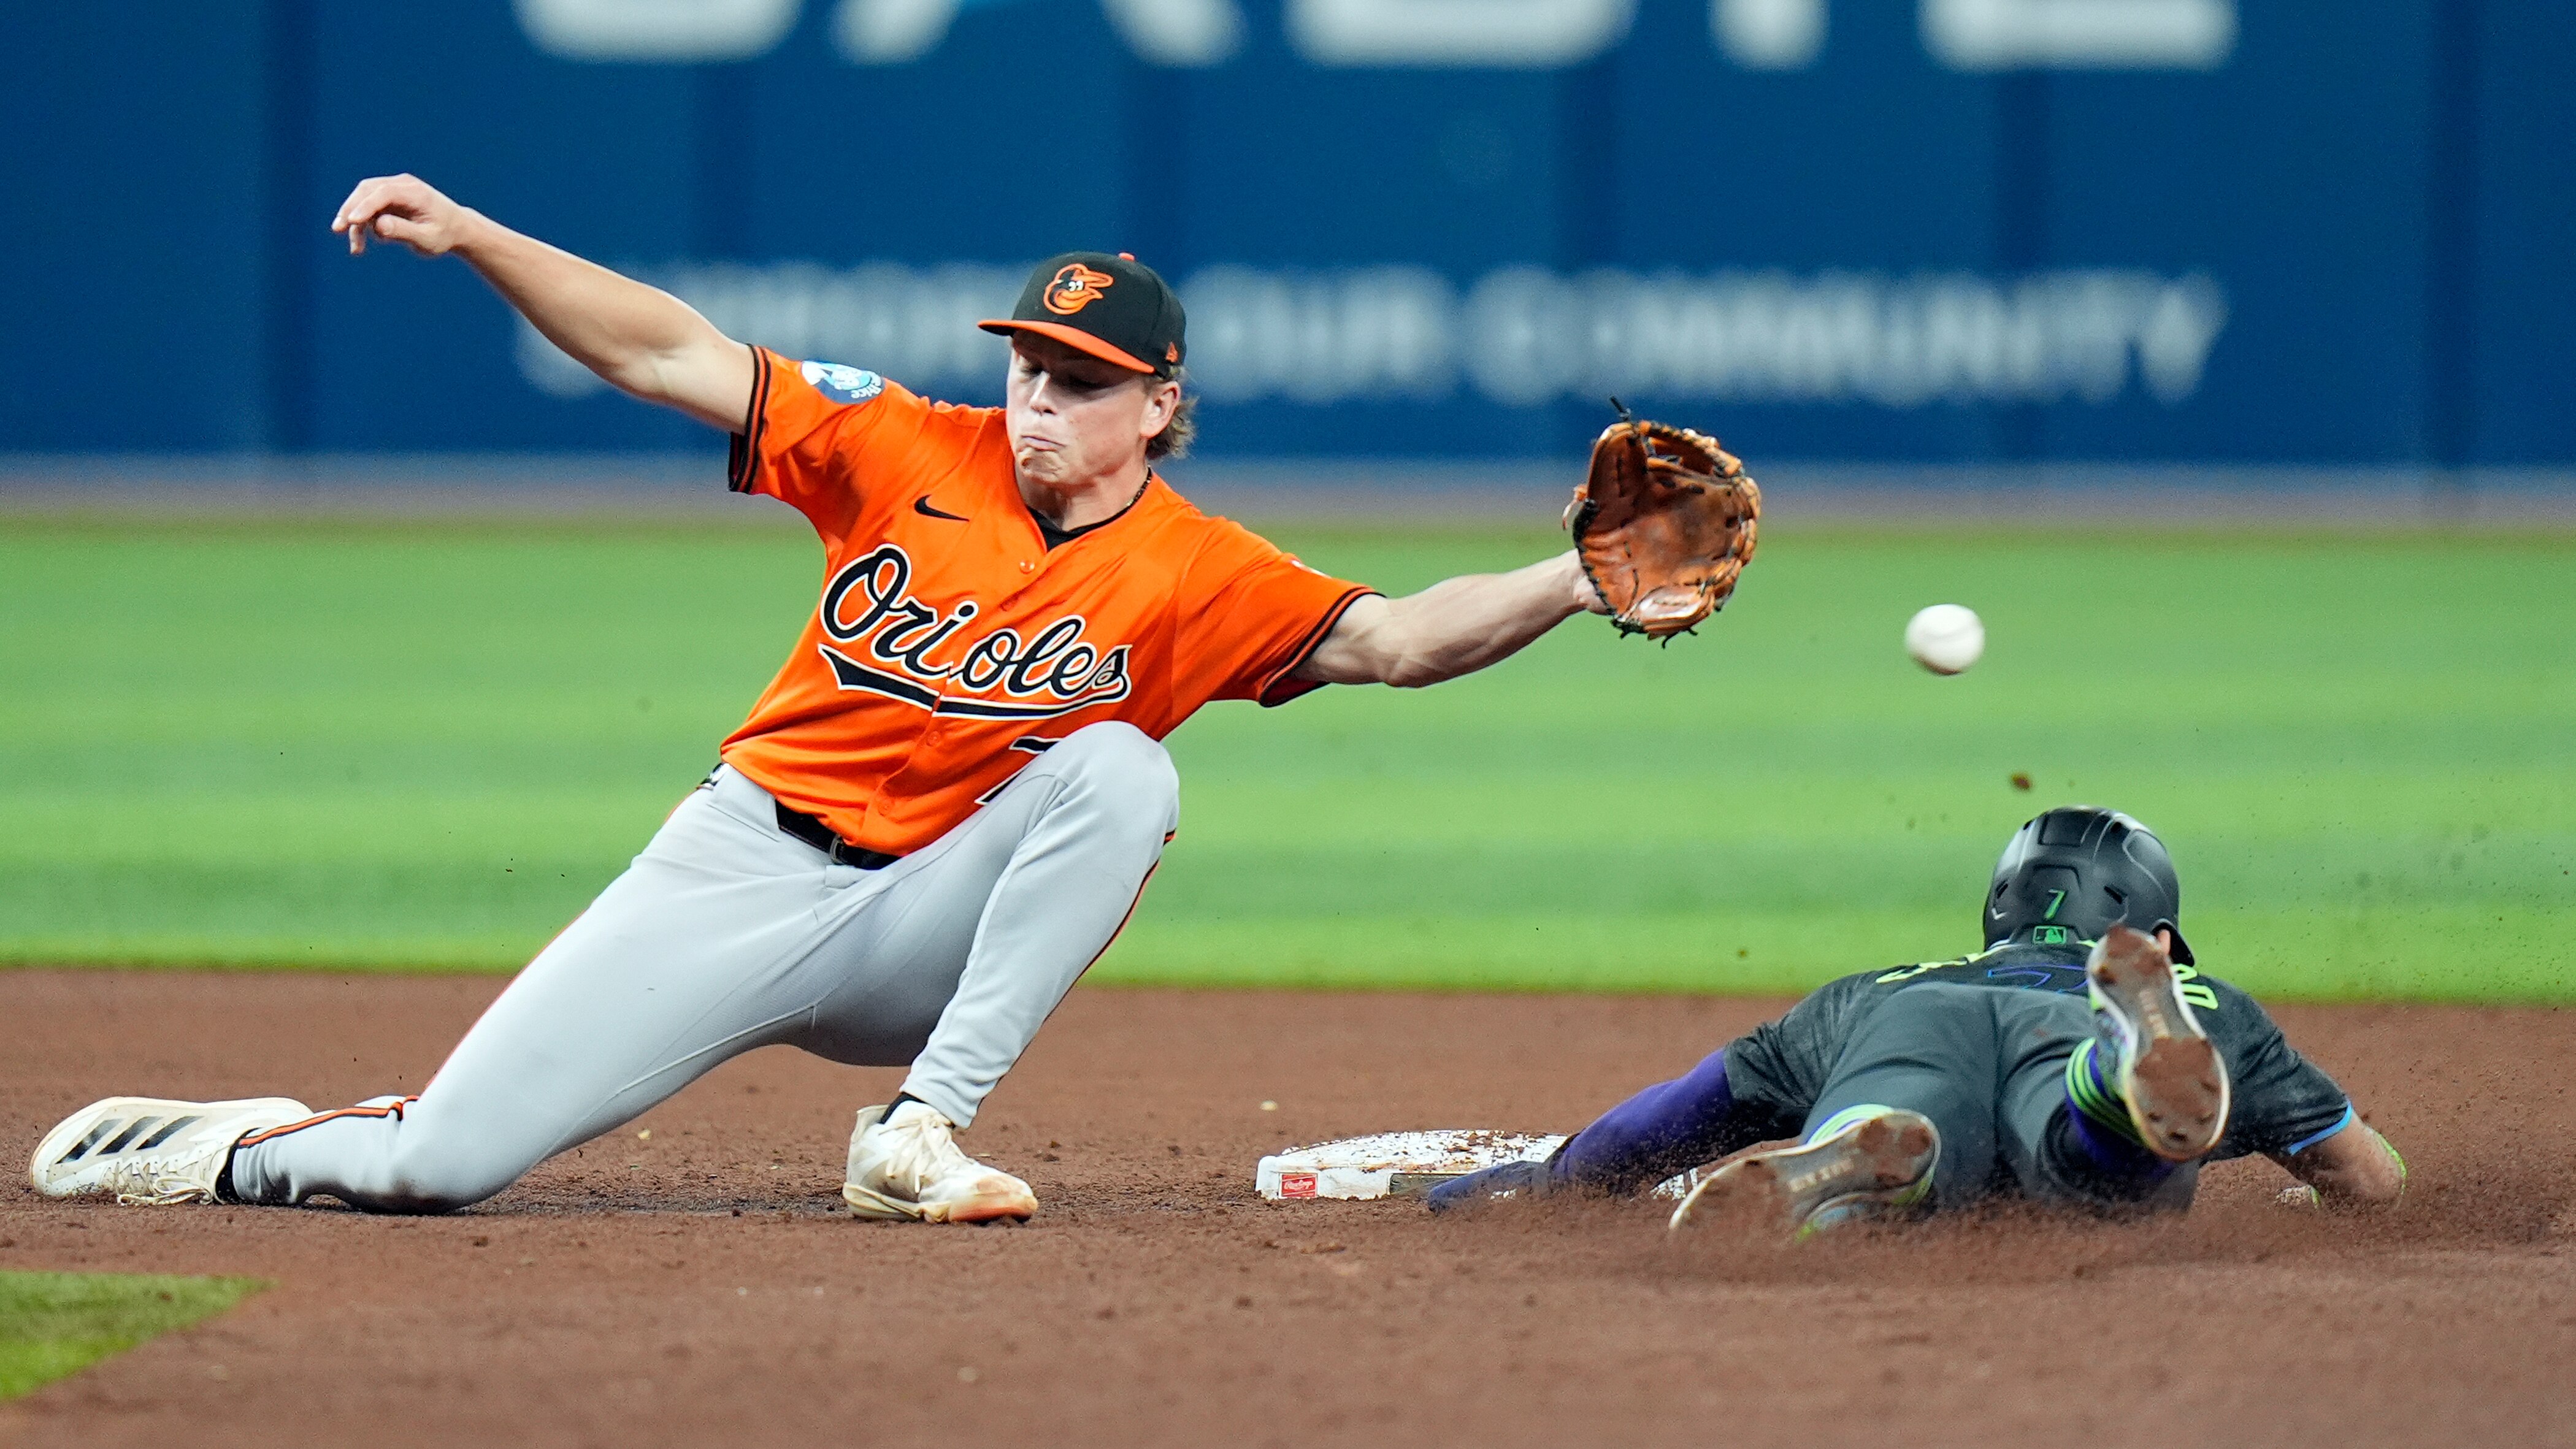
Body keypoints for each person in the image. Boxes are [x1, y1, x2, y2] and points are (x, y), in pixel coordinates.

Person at [31, 174, 1619, 1224]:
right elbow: (671, 356)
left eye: (1078, 379)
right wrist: (482, 236)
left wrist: (1572, 576)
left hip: (916, 928)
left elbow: (1402, 636)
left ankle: (913, 1133)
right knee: (436, 1164)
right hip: (736, 865)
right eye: (1029, 365)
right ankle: (229, 1144)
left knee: (1126, 772)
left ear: (1161, 404)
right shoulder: (909, 444)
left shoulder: (1198, 571)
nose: (1039, 398)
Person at [1426, 807, 2407, 1235]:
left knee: (1892, 1114)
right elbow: (2368, 1179)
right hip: (2071, 1040)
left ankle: (1863, 1151)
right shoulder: (2205, 1005)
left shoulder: (1877, 986)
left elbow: (1685, 1110)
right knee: (2072, 1161)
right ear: (2152, 935)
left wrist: (1545, 1178)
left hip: (1915, 1024)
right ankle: (2111, 1089)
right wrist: (2313, 1189)